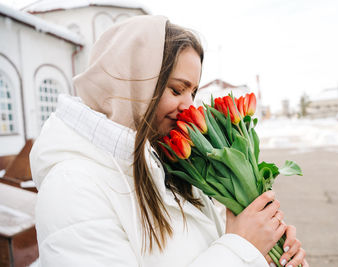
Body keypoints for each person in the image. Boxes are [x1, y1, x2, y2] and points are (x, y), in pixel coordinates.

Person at [30, 15, 308, 267]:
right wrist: (242, 248)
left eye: (193, 92)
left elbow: (203, 248)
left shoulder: (168, 165)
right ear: (132, 83)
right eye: (177, 89)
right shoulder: (72, 187)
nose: (190, 108)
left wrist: (264, 249)